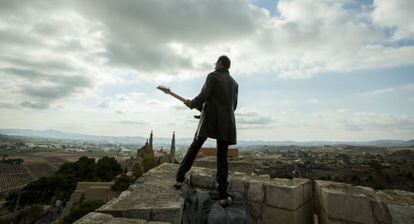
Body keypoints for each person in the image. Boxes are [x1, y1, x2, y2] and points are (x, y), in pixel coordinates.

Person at [173, 55, 238, 205]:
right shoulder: (235, 83)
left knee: (195, 146)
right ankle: (223, 192)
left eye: (216, 63)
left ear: (220, 64)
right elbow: (232, 106)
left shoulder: (213, 76)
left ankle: (179, 178)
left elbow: (205, 95)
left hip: (210, 119)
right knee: (222, 157)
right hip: (227, 122)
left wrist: (192, 103)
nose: (214, 65)